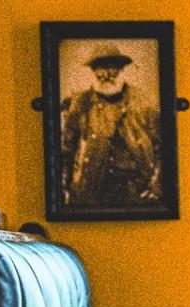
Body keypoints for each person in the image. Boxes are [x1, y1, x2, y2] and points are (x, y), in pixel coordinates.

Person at [60, 43, 162, 207]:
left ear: (122, 69)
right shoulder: (81, 103)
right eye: (100, 68)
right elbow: (66, 151)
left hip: (135, 191)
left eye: (112, 68)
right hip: (91, 189)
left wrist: (156, 186)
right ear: (93, 71)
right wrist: (63, 188)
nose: (106, 74)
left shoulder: (142, 102)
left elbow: (163, 149)